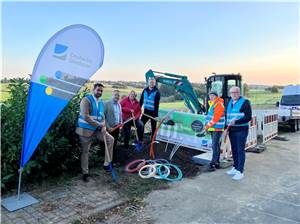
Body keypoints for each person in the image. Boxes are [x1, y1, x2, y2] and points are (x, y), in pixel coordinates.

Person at [76, 83, 114, 182]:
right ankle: (85, 173)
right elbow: (86, 117)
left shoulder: (101, 102)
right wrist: (99, 125)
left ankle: (107, 164)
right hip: (85, 130)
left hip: (97, 130)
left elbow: (103, 117)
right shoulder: (86, 100)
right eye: (98, 90)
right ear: (94, 90)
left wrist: (104, 126)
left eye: (101, 91)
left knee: (110, 139)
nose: (100, 92)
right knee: (85, 151)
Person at [225, 86, 252, 180]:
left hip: (241, 129)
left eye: (235, 92)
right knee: (234, 150)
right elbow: (228, 116)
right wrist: (226, 128)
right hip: (232, 130)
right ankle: (235, 167)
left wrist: (236, 121)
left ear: (239, 93)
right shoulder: (230, 103)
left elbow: (248, 117)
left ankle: (240, 171)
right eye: (232, 92)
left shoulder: (245, 102)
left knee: (240, 150)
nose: (233, 94)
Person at [204, 91, 225, 171]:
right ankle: (216, 162)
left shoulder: (218, 104)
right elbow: (210, 116)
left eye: (213, 96)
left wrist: (207, 126)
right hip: (214, 128)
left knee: (214, 145)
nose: (211, 97)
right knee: (216, 145)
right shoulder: (212, 104)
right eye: (210, 96)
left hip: (217, 128)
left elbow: (215, 118)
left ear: (216, 96)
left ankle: (213, 163)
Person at [104, 90, 122, 165]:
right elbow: (103, 117)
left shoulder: (119, 105)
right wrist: (108, 127)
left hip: (116, 128)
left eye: (118, 95)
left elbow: (120, 114)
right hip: (110, 128)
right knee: (109, 145)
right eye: (115, 95)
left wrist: (121, 122)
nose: (117, 97)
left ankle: (112, 160)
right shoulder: (107, 104)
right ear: (112, 95)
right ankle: (107, 162)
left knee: (114, 145)